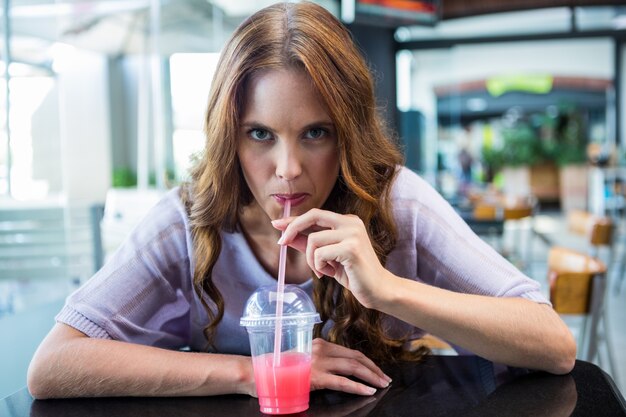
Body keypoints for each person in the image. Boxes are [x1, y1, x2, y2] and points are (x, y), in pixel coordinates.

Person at [27, 1, 575, 399]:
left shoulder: (395, 203)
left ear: (348, 134)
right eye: (260, 134)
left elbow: (553, 345)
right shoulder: (188, 221)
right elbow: (52, 366)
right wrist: (256, 372)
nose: (287, 170)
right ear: (229, 136)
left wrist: (388, 289)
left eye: (315, 133)